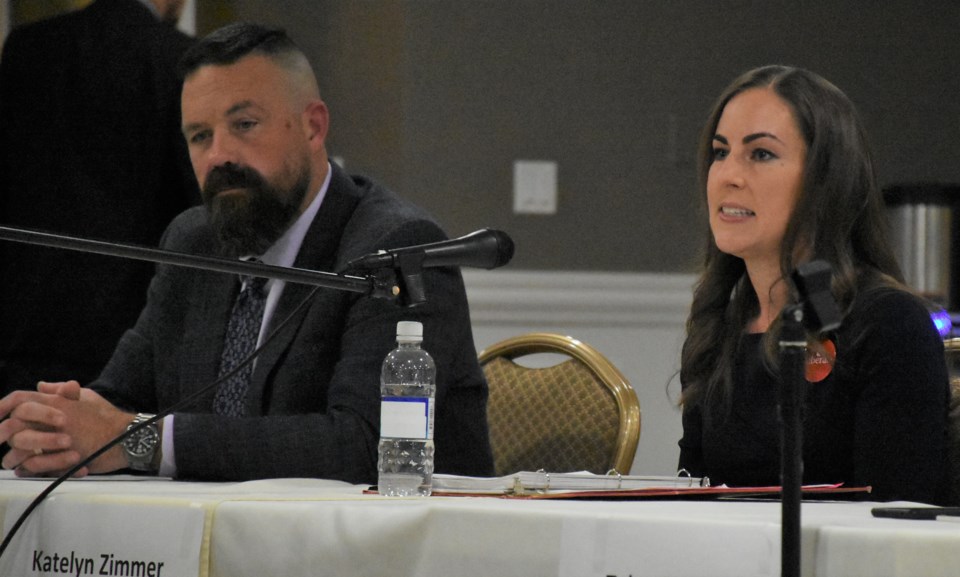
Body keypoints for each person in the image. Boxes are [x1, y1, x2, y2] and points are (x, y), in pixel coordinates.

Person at [0, 22, 494, 483]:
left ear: (313, 127)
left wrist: (139, 441)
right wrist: (61, 425)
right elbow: (120, 397)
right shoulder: (193, 241)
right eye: (200, 136)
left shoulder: (395, 248)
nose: (219, 156)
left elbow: (367, 446)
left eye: (245, 124)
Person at [677, 65, 951, 504]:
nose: (728, 175)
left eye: (761, 154)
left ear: (825, 181)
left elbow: (899, 523)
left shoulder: (887, 324)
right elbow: (696, 498)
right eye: (720, 152)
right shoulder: (721, 324)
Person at [0, 0, 200, 394]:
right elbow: (197, 215)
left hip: (23, 336)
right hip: (130, 340)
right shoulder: (180, 60)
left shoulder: (28, 46)